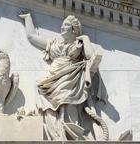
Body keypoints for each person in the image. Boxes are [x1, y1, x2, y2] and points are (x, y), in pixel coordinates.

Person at [19, 12, 108, 140]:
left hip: (70, 80)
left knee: (69, 103)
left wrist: (86, 39)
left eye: (66, 25)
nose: (62, 27)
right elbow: (32, 37)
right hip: (51, 80)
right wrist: (28, 18)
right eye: (62, 24)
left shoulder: (79, 44)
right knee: (48, 108)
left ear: (74, 29)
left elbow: (90, 57)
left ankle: (71, 135)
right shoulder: (54, 43)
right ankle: (55, 135)